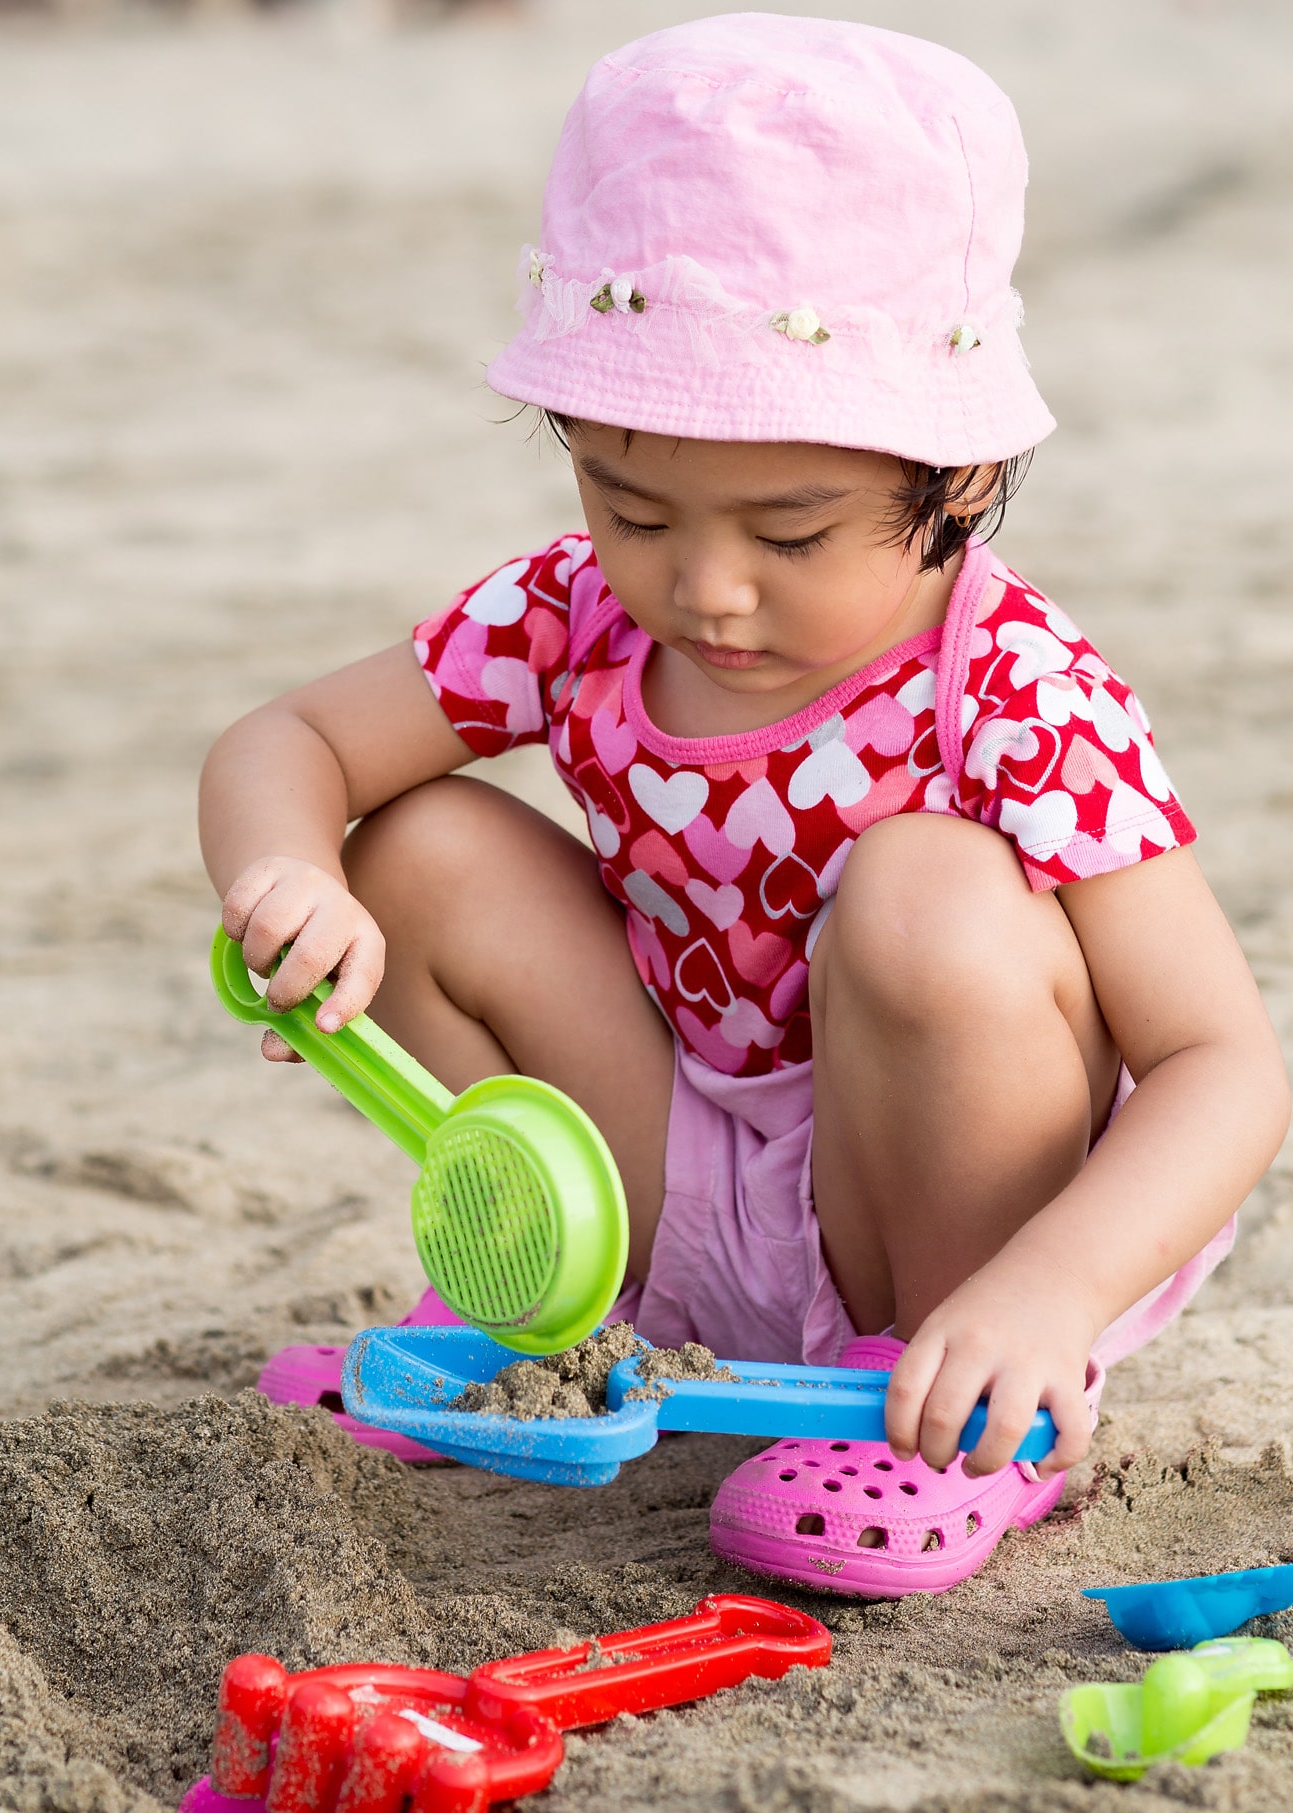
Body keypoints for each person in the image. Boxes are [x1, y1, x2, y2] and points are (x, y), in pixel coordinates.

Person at [199, 15, 1289, 1597]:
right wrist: (287, 878)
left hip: (944, 1210)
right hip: (676, 1163)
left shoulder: (1012, 688)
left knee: (925, 894)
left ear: (960, 476)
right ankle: (564, 1312)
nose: (703, 588)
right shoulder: (573, 615)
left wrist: (1048, 1287)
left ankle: (954, 1413)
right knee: (417, 845)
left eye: (791, 531)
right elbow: (287, 736)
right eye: (632, 505)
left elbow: (1225, 1064)